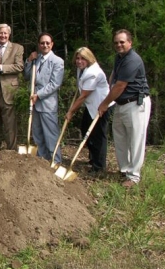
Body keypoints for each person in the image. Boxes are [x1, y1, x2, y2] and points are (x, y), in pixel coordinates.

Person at [98, 29, 151, 188]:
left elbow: (121, 85)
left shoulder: (132, 60)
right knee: (120, 137)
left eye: (122, 42)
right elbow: (115, 77)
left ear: (130, 42)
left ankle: (134, 177)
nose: (119, 45)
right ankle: (125, 169)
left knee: (135, 140)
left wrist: (105, 103)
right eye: (116, 42)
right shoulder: (119, 58)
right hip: (121, 103)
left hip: (136, 103)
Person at [65, 47, 111, 175]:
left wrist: (70, 112)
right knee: (86, 129)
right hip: (91, 106)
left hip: (101, 106)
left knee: (98, 136)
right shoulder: (82, 70)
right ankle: (93, 158)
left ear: (89, 58)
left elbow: (84, 96)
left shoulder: (93, 73)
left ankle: (99, 167)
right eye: (78, 58)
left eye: (83, 58)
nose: (79, 61)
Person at [24, 33, 64, 164]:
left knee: (50, 134)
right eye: (42, 43)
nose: (45, 45)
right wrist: (29, 60)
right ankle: (42, 161)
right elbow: (27, 75)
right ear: (39, 45)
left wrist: (38, 95)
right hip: (34, 103)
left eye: (47, 43)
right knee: (38, 134)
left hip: (47, 103)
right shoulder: (37, 59)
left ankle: (55, 161)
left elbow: (55, 84)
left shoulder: (58, 61)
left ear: (52, 44)